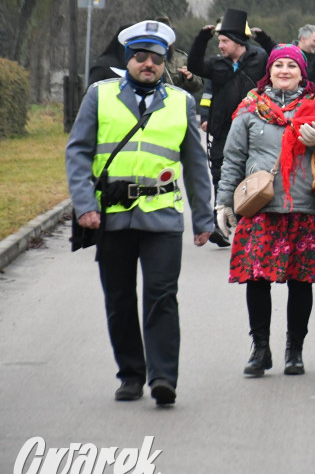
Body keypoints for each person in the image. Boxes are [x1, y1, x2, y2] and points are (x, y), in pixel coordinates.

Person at [65, 20, 215, 406]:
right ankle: (130, 374)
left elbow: (196, 166)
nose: (148, 64)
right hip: (111, 216)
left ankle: (163, 377)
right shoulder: (100, 95)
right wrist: (84, 205)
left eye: (156, 58)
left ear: (165, 63)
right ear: (128, 59)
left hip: (162, 215)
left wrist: (203, 220)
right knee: (119, 298)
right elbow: (78, 152)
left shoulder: (181, 102)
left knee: (162, 297)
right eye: (140, 57)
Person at [216, 44, 315, 377]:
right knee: (256, 280)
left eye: (292, 65)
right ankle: (260, 348)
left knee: (300, 282)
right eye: (279, 66)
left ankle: (295, 350)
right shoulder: (249, 109)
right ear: (270, 71)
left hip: (304, 208)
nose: (285, 71)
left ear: (302, 72)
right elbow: (232, 159)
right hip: (261, 208)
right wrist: (223, 202)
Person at [186, 8, 271, 247]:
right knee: (220, 176)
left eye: (224, 41)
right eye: (219, 41)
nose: (220, 45)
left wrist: (263, 38)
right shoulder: (217, 64)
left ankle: (246, 222)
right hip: (222, 130)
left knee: (248, 175)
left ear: (236, 41)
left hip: (253, 129)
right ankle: (221, 224)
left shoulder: (260, 59)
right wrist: (202, 39)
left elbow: (279, 56)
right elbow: (194, 65)